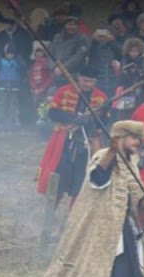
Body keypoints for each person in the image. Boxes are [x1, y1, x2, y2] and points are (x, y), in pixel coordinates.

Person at [40, 120, 144, 277]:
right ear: (120, 138)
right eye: (133, 138)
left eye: (139, 139)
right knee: (83, 264)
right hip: (96, 223)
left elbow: (136, 190)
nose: (138, 142)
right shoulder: (103, 156)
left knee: (127, 264)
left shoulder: (131, 160)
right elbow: (97, 180)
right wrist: (111, 152)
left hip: (119, 222)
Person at [35, 64, 108, 207]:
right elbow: (53, 113)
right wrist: (74, 118)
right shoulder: (64, 91)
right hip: (64, 141)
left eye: (91, 81)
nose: (88, 84)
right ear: (78, 78)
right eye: (85, 80)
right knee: (57, 176)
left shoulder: (101, 97)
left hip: (87, 144)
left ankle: (74, 215)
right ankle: (50, 212)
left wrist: (89, 121)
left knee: (81, 180)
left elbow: (104, 121)